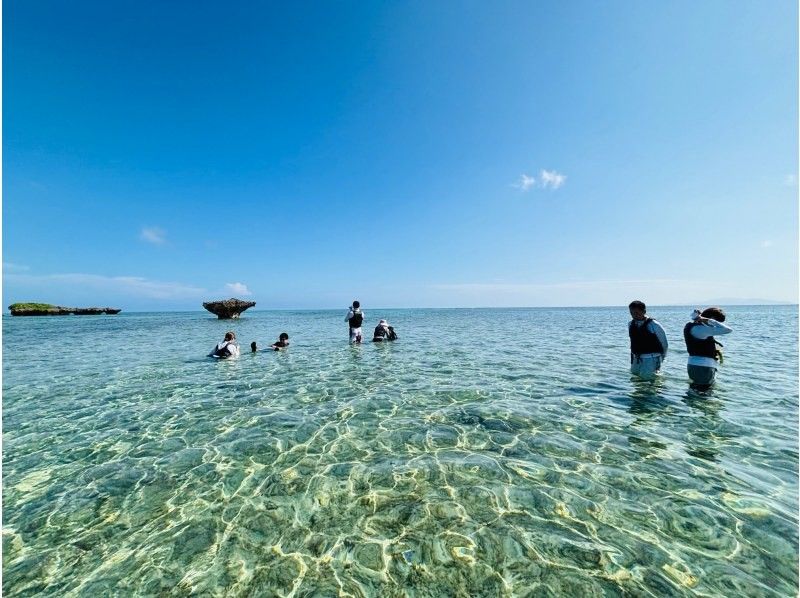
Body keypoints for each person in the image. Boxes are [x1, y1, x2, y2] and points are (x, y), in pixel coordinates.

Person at [684, 307, 732, 388]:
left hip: (693, 364)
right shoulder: (702, 329)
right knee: (703, 393)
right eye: (716, 321)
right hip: (704, 366)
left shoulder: (692, 326)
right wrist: (707, 320)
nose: (715, 324)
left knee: (695, 391)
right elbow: (728, 330)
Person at [628, 300, 668, 378]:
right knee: (635, 379)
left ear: (644, 311)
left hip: (651, 358)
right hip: (636, 358)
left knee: (649, 380)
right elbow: (633, 341)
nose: (634, 315)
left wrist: (662, 357)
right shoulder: (630, 324)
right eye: (631, 313)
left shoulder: (654, 324)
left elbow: (664, 343)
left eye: (636, 313)